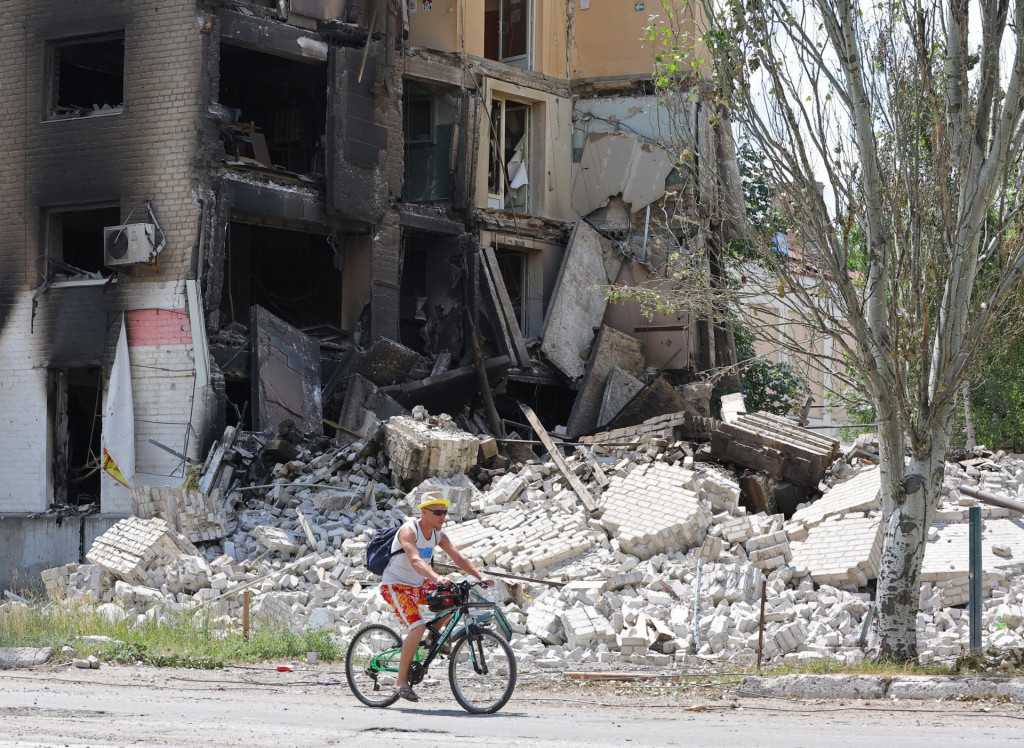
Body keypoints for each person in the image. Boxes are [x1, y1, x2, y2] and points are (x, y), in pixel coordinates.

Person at [379, 492, 493, 702]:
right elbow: (414, 559)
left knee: (454, 596)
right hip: (396, 586)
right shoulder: (409, 531)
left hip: (418, 585)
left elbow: (458, 557)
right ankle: (400, 681)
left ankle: (434, 636)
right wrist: (436, 577)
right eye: (438, 512)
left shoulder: (437, 535)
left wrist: (480, 576)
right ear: (424, 512)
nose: (444, 517)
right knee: (417, 627)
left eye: (445, 512)